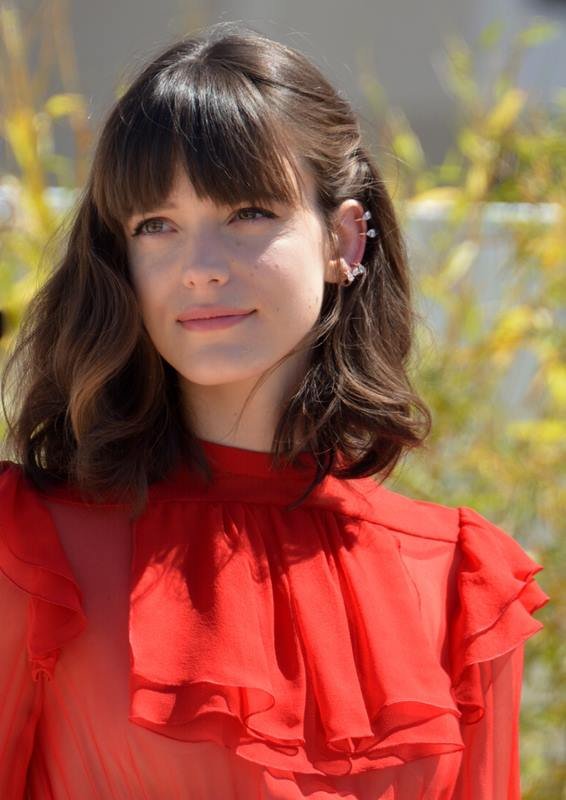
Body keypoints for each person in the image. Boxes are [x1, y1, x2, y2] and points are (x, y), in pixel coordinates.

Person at [0, 20, 549, 800]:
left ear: (343, 240)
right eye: (156, 226)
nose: (200, 269)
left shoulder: (462, 583)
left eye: (248, 213)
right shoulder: (28, 550)